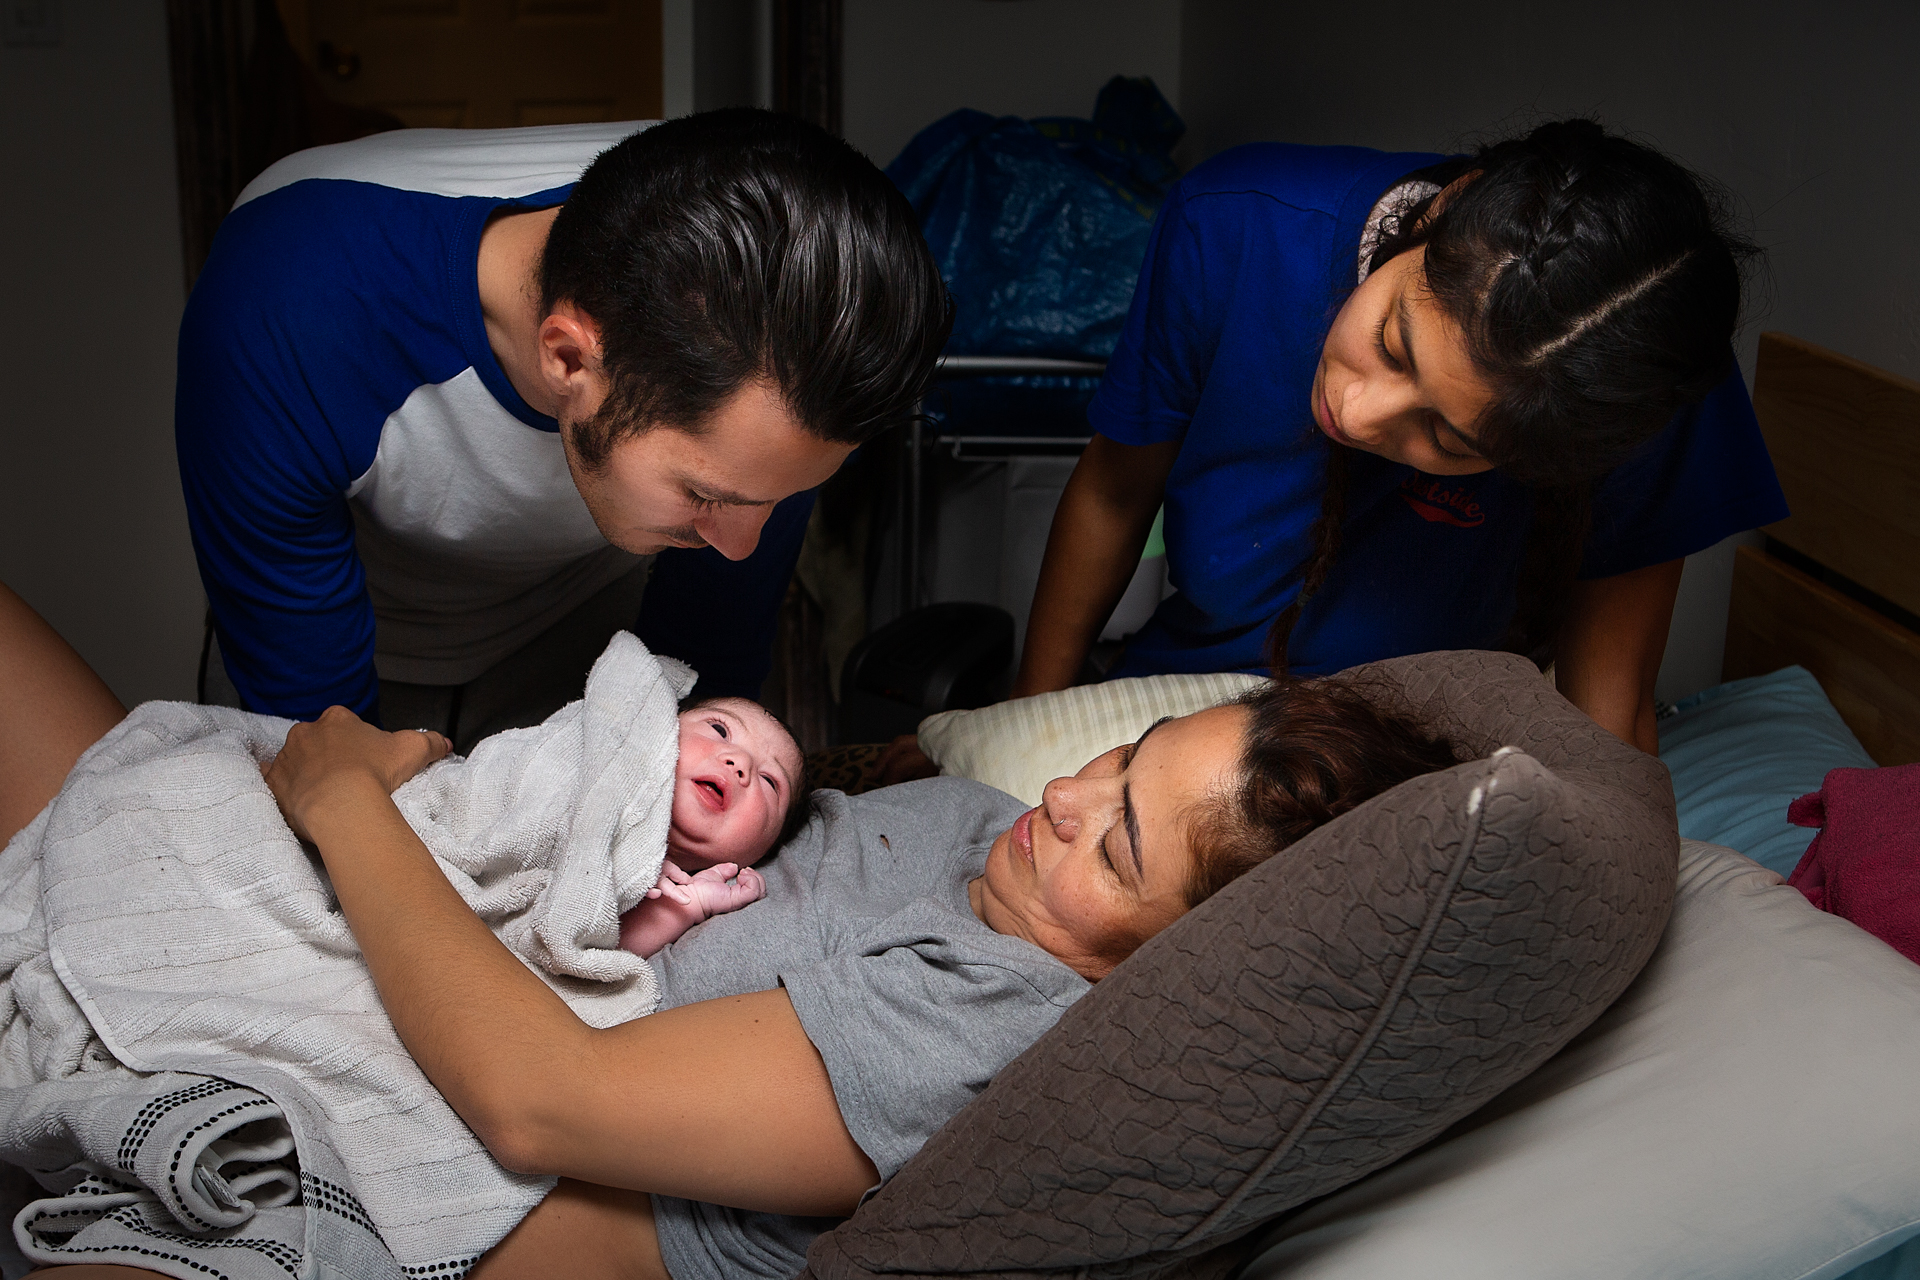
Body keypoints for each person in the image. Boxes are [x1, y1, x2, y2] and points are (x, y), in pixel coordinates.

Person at [0, 581, 1462, 1280]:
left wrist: (347, 810)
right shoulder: (975, 832)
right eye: (1121, 759)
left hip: (408, 1157)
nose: (1068, 796)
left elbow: (538, 1100)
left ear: (1181, 956)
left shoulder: (1001, 1017)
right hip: (445, 909)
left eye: (1122, 839)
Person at [1012, 119, 1788, 756]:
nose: (1355, 413)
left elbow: (1607, 717)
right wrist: (1019, 728)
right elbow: (1114, 493)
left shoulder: (1645, 394)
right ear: (1442, 210)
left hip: (1427, 743)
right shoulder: (1239, 220)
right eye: (1390, 342)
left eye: (1449, 440)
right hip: (1186, 694)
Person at [176, 108, 950, 744]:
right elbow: (326, 752)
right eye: (703, 492)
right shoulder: (285, 317)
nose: (745, 544)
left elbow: (707, 671)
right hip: (367, 628)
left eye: (776, 499)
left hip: (597, 613)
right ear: (569, 359)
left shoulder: (786, 334)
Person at [616, 695, 809, 958]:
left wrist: (689, 904)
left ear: (762, 854)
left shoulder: (672, 897)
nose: (740, 762)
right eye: (720, 730)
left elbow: (588, 953)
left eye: (769, 781)